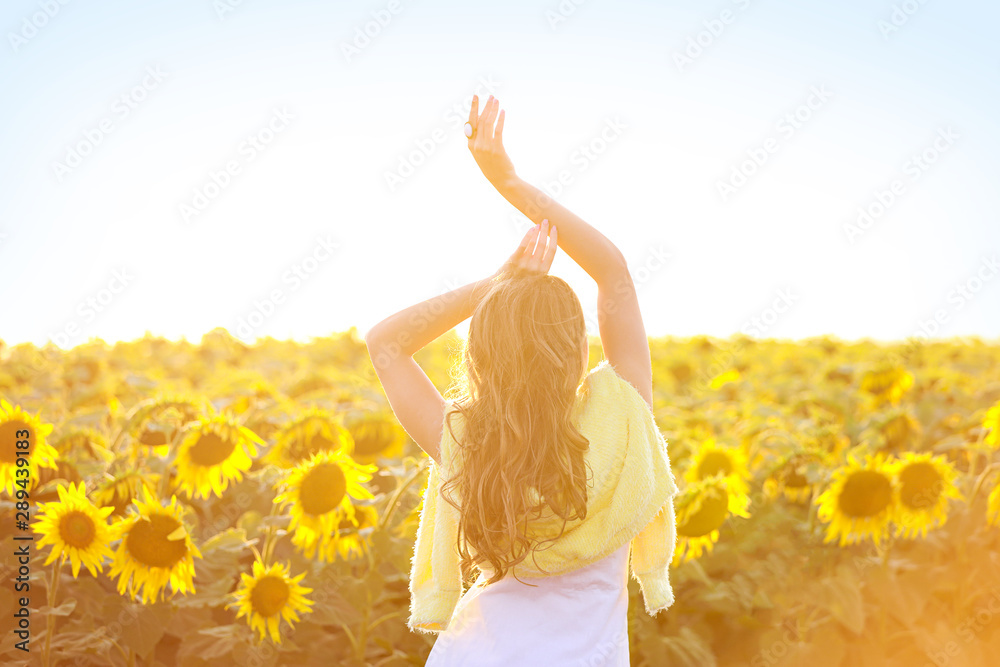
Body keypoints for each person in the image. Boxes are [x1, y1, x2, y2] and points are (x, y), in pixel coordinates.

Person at [364, 95, 678, 666]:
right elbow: (613, 273)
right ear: (575, 347)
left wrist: (498, 283)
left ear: (482, 351)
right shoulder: (623, 415)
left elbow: (385, 342)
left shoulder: (466, 437)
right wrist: (507, 179)